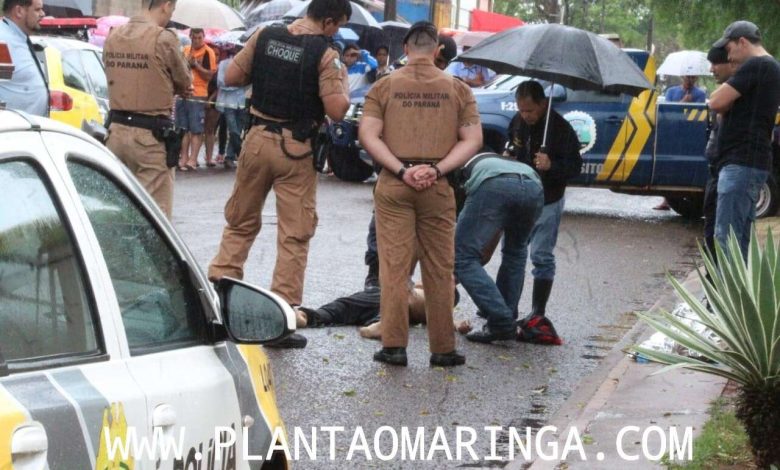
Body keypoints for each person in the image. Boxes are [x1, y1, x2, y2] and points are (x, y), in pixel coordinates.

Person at [207, 0, 352, 349]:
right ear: (328, 21)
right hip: (296, 150)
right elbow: (336, 110)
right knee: (293, 234)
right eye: (337, 26)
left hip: (256, 140)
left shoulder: (264, 35)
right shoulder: (326, 53)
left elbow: (231, 77)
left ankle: (219, 299)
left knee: (240, 222)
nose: (336, 32)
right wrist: (342, 85)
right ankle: (281, 314)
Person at [358, 21, 482, 367]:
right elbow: (472, 140)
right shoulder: (458, 89)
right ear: (438, 50)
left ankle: (394, 346)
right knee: (440, 268)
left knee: (395, 267)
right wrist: (438, 169)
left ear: (407, 49)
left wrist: (401, 169)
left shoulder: (384, 86)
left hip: (395, 184)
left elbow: (368, 136)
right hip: (437, 185)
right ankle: (443, 348)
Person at [362, 33, 459, 292]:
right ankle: (375, 275)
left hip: (426, 173)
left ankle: (405, 287)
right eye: (437, 60)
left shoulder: (450, 86)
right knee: (384, 236)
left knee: (431, 254)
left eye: (442, 64)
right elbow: (373, 133)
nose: (435, 67)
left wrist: (434, 169)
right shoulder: (392, 80)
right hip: (398, 168)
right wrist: (403, 168)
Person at [504, 80, 581, 344]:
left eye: (530, 111)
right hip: (520, 195)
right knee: (513, 252)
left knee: (541, 255)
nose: (526, 116)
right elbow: (513, 142)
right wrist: (510, 153)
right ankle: (506, 308)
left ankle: (538, 310)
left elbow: (575, 167)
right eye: (521, 110)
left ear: (543, 104)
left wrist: (551, 165)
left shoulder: (560, 129)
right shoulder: (518, 121)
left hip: (548, 198)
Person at [103, 0, 192, 219]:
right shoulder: (163, 38)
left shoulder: (113, 36)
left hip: (115, 133)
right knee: (154, 217)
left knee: (119, 211)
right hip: (150, 139)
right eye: (172, 8)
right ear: (166, 5)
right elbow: (185, 81)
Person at [454, 152, 544, 343]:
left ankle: (501, 319)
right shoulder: (501, 161)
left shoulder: (459, 168)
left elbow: (458, 229)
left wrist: (453, 272)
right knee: (516, 252)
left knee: (462, 257)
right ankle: (505, 319)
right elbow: (490, 235)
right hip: (533, 185)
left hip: (494, 185)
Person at [709, 20, 780, 259]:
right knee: (738, 237)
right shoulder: (768, 68)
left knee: (727, 238)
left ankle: (725, 295)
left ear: (742, 42)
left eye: (729, 49)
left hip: (740, 163)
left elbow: (716, 102)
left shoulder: (757, 65)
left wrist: (722, 97)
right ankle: (734, 294)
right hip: (750, 163)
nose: (729, 57)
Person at [703, 46, 737, 260]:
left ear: (731, 64)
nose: (712, 69)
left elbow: (716, 102)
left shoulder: (735, 93)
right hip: (715, 170)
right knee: (711, 232)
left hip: (727, 169)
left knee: (721, 236)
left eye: (716, 63)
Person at [176, 28, 217, 171]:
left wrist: (197, 66)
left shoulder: (208, 52)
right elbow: (178, 69)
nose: (197, 41)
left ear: (204, 37)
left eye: (200, 38)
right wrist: (186, 64)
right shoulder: (185, 50)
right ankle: (184, 158)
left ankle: (193, 159)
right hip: (183, 93)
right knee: (183, 128)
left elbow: (210, 76)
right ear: (190, 37)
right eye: (195, 38)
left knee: (196, 129)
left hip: (199, 93)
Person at [0, 0, 48, 116]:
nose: (43, 14)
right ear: (19, 11)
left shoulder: (19, 38)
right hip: (10, 130)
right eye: (37, 9)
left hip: (27, 128)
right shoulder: (3, 40)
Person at [215, 48, 250, 169]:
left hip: (241, 102)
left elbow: (247, 82)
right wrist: (235, 84)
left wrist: (234, 84)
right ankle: (240, 152)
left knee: (238, 130)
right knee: (233, 130)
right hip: (228, 103)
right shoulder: (224, 64)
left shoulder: (247, 64)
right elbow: (220, 82)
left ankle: (229, 157)